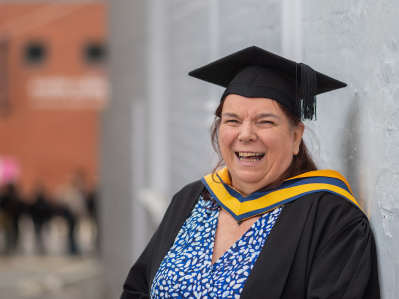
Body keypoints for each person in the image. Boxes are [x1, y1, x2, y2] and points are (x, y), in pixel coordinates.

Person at [121, 46, 380, 299]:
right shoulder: (191, 199)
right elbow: (137, 289)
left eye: (265, 122)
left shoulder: (333, 220)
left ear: (295, 137)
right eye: (232, 120)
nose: (245, 135)